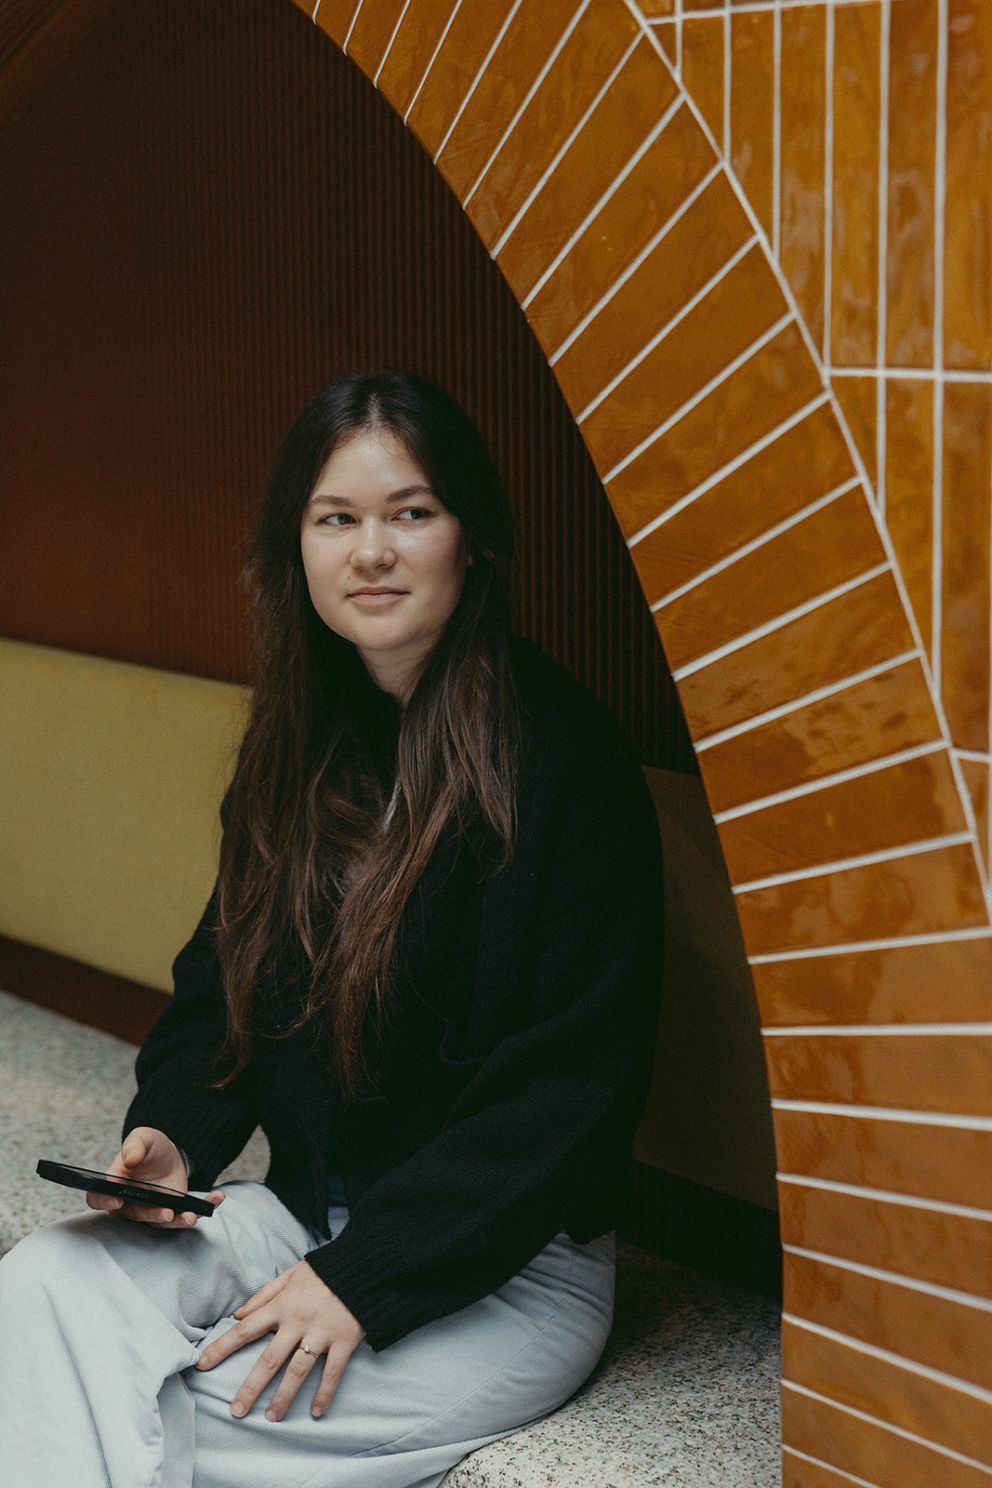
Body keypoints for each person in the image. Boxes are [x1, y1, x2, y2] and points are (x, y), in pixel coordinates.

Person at [0, 370, 664, 1488]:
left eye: (411, 512)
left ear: (472, 540)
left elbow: (570, 1092)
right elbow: (223, 985)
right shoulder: (300, 744)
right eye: (336, 519)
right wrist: (171, 1139)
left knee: (151, 1407)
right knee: (43, 1286)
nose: (372, 552)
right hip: (303, 1217)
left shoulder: (565, 762)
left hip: (503, 1266)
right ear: (295, 548)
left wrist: (366, 1275)